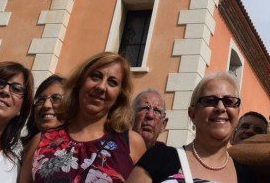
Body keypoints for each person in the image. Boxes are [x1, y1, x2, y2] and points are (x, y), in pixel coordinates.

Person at [21, 52, 146, 182]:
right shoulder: (40, 141)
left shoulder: (133, 144)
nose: (101, 87)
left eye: (112, 82)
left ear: (119, 96)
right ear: (80, 82)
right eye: (96, 76)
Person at [128, 72, 256, 183]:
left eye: (229, 101)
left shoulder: (248, 178)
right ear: (192, 114)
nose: (221, 108)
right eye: (210, 100)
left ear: (237, 113)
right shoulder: (158, 158)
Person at [23, 75, 65, 145]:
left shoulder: (81, 152)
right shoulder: (16, 150)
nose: (46, 105)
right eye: (41, 99)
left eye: (56, 98)